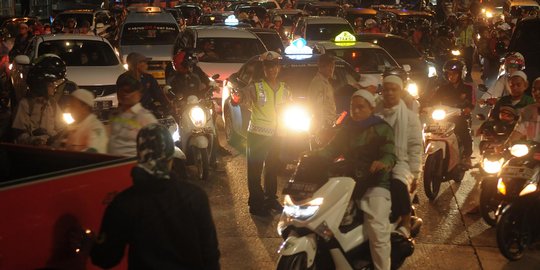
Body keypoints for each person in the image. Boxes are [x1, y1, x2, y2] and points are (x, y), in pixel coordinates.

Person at [91, 123, 220, 270]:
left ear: (139, 155)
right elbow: (210, 254)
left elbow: (106, 258)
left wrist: (91, 243)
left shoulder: (123, 204)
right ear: (171, 157)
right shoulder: (195, 197)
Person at [315, 89, 396, 270]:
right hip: (348, 182)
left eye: (361, 107)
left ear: (371, 108)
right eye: (353, 107)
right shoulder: (347, 129)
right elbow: (330, 150)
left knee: (377, 228)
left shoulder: (382, 128)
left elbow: (390, 154)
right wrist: (310, 156)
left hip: (375, 183)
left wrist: (382, 162)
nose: (356, 111)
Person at [232, 51, 292, 217]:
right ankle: (256, 204)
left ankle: (270, 199)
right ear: (264, 69)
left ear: (278, 68)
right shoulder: (256, 87)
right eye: (268, 67)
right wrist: (236, 97)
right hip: (258, 134)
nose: (272, 70)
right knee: (255, 171)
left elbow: (290, 107)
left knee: (272, 169)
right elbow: (242, 97)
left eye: (274, 67)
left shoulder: (285, 89)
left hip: (277, 135)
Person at [375, 75, 423, 239]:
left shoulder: (410, 118)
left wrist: (415, 173)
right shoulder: (374, 112)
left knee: (397, 182)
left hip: (399, 162)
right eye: (386, 89)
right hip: (374, 159)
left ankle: (405, 221)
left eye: (393, 89)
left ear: (400, 91)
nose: (389, 93)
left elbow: (415, 146)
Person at [428, 60, 474, 166]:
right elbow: (433, 100)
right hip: (444, 117)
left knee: (464, 133)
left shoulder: (468, 88)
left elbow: (471, 103)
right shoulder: (442, 88)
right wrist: (426, 107)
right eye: (449, 73)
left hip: (460, 117)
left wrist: (467, 109)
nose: (451, 76)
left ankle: (467, 156)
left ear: (460, 74)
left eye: (454, 74)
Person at [11, 63, 65, 146]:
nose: (54, 88)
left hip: (51, 152)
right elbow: (19, 134)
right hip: (32, 153)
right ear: (41, 86)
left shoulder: (52, 104)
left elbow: (61, 128)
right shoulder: (26, 104)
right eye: (51, 85)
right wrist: (34, 140)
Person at [108, 73, 158, 156]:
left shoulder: (146, 118)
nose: (124, 94)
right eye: (120, 90)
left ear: (139, 94)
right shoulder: (114, 114)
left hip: (132, 165)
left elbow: (154, 149)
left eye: (129, 91)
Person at [63, 89, 108, 153]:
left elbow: (93, 150)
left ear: (85, 107)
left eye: (73, 106)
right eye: (70, 105)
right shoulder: (74, 124)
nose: (69, 109)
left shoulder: (95, 126)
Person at [308, 54, 336, 138]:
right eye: (328, 66)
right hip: (323, 128)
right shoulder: (318, 84)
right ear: (321, 67)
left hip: (329, 126)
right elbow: (317, 109)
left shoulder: (325, 83)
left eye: (332, 66)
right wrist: (320, 130)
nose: (331, 69)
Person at [506, 77, 540, 143]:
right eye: (534, 90)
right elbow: (518, 131)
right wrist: (504, 146)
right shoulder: (527, 110)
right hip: (531, 151)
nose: (537, 92)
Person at [455, 15, 474, 82]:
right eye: (462, 20)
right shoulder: (458, 28)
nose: (464, 22)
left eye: (465, 20)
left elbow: (473, 35)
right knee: (458, 60)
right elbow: (456, 35)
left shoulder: (471, 27)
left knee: (469, 61)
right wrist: (461, 29)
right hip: (460, 48)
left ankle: (468, 75)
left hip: (469, 47)